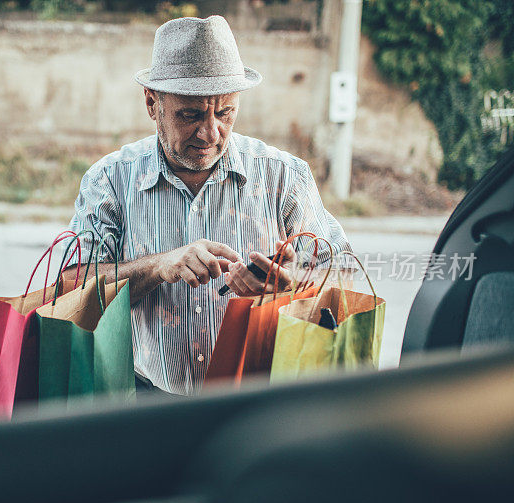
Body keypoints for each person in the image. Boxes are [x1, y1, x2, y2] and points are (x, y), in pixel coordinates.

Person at [65, 15, 351, 395]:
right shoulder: (110, 181)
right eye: (191, 114)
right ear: (153, 104)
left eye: (225, 112)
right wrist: (157, 266)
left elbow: (344, 276)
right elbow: (71, 290)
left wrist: (293, 285)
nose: (210, 133)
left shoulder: (284, 177)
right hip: (147, 398)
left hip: (258, 399)